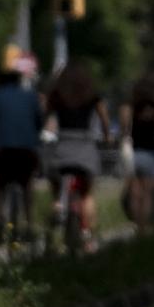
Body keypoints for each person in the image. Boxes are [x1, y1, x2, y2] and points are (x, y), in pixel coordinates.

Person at [45, 62, 111, 249]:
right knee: (86, 194)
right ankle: (88, 235)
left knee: (57, 187)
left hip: (63, 146)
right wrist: (107, 138)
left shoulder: (57, 96)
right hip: (85, 147)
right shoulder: (92, 97)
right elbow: (105, 120)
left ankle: (58, 208)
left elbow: (45, 117)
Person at [0, 72, 44, 243]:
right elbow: (38, 122)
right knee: (28, 183)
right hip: (26, 150)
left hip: (2, 150)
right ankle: (30, 222)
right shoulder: (31, 96)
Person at [123, 79, 154, 232]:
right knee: (147, 194)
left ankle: (136, 224)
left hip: (133, 153)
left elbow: (125, 130)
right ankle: (144, 225)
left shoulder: (130, 108)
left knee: (135, 192)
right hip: (150, 153)